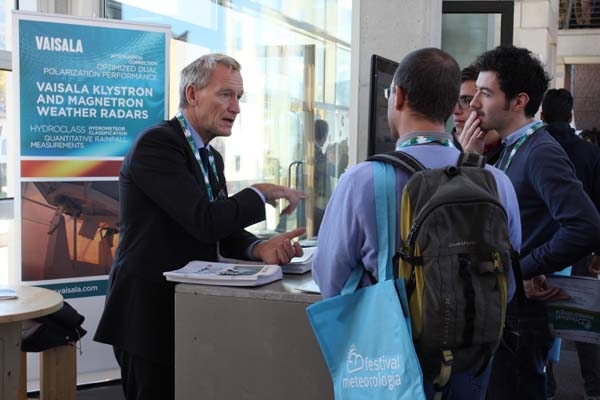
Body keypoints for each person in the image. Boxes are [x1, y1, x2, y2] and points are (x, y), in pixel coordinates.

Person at [312, 47, 522, 400]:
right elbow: (508, 281)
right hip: (472, 357)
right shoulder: (496, 181)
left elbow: (329, 281)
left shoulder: (363, 180)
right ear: (453, 105)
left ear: (400, 97)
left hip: (390, 359)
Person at [94, 53, 307, 400]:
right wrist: (259, 193)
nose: (236, 107)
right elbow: (204, 221)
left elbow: (217, 223)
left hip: (192, 313)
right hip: (149, 316)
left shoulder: (211, 156)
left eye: (239, 97)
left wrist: (257, 248)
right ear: (192, 95)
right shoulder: (158, 144)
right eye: (226, 94)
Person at [463, 45, 600, 400]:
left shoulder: (540, 151)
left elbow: (584, 225)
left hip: (523, 322)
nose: (475, 102)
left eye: (486, 92)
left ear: (519, 101)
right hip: (512, 314)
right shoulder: (511, 146)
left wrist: (523, 268)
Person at [541, 88, 600, 400]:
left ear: (542, 114)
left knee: (541, 320)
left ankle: (547, 386)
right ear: (571, 115)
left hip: (541, 249)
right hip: (579, 249)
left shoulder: (534, 148)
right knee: (583, 318)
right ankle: (593, 389)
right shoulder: (591, 153)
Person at [452, 64, 501, 164]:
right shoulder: (443, 150)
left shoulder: (513, 151)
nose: (456, 111)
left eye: (467, 100)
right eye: (452, 101)